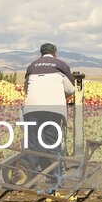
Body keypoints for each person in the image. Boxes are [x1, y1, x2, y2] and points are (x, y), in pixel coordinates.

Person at [22, 43, 75, 183]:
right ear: (55, 53)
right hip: (54, 110)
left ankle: (29, 178)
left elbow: (26, 89)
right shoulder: (61, 65)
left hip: (31, 109)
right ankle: (54, 178)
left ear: (41, 54)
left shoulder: (32, 66)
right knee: (53, 143)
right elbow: (71, 90)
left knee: (32, 144)